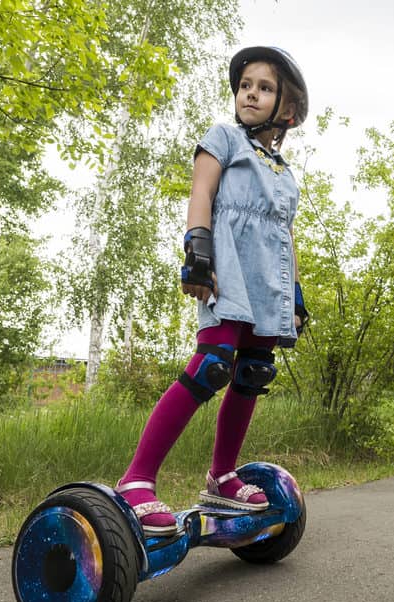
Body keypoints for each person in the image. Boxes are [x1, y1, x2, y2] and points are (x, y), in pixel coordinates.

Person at [115, 46, 310, 536]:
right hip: (229, 273)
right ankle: (136, 479)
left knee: (254, 373)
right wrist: (197, 252)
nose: (251, 93)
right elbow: (201, 192)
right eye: (246, 85)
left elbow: (285, 236)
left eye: (265, 87)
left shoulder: (285, 175)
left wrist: (296, 295)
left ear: (286, 110)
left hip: (269, 284)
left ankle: (222, 475)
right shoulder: (223, 138)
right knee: (212, 366)